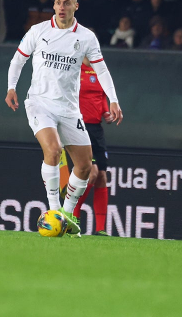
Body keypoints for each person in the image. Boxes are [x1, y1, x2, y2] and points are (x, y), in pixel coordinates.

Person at [5, 0, 124, 236]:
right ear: (54, 5)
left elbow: (102, 70)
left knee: (85, 166)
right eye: (58, 2)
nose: (61, 7)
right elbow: (18, 59)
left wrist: (113, 100)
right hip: (40, 103)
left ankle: (67, 215)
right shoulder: (38, 31)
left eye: (67, 3)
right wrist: (11, 87)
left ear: (75, 6)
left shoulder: (87, 37)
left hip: (69, 109)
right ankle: (54, 211)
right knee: (53, 150)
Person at [71, 57, 116, 236]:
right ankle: (73, 214)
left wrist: (106, 111)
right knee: (92, 172)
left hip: (96, 129)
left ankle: (101, 229)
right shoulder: (74, 69)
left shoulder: (100, 70)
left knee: (102, 176)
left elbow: (102, 96)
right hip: (79, 127)